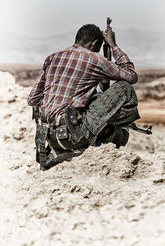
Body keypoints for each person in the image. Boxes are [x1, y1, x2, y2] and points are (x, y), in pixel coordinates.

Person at [27, 23, 140, 170]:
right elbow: (131, 76)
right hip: (73, 136)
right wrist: (113, 45)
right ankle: (101, 138)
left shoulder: (52, 58)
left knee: (93, 98)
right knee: (125, 89)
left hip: (47, 137)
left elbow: (33, 99)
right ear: (94, 44)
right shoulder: (94, 59)